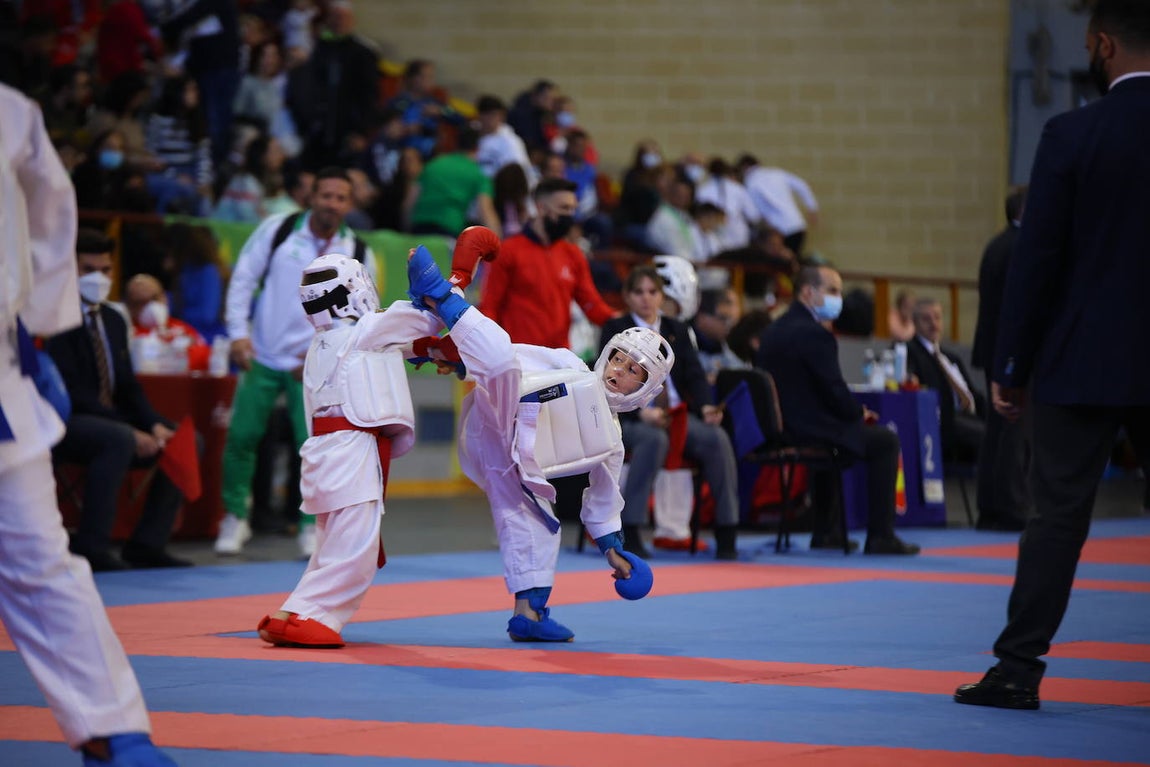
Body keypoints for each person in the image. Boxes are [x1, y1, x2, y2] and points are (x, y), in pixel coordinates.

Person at [954, 0, 1150, 711]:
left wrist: (1012, 367)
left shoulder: (1071, 132)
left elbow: (1035, 263)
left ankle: (1017, 667)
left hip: (1082, 358)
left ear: (1100, 44)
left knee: (1057, 516)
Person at [0, 80, 177, 766]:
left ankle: (113, 730)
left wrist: (36, 329)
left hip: (6, 383)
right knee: (47, 568)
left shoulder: (12, 110)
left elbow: (52, 206)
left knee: (46, 566)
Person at [404, 234, 670, 641]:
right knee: (501, 361)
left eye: (635, 370)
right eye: (619, 358)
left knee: (541, 524)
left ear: (647, 389)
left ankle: (530, 613)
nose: (619, 370)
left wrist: (612, 549)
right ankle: (440, 293)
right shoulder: (569, 365)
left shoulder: (612, 442)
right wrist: (451, 358)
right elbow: (508, 353)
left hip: (516, 466)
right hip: (496, 417)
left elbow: (602, 498)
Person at [257, 252, 430, 648]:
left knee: (331, 543)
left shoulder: (322, 342)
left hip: (322, 450)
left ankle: (293, 611)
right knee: (355, 547)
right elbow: (426, 319)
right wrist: (441, 285)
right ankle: (315, 616)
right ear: (351, 291)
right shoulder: (367, 330)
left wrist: (428, 350)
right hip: (352, 448)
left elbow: (401, 344)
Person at [216, 167, 376, 557]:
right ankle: (235, 517)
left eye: (340, 198)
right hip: (264, 355)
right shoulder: (279, 231)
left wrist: (330, 349)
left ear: (348, 204)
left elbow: (363, 313)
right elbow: (242, 278)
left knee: (315, 448)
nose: (332, 204)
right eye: (326, 195)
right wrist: (238, 332)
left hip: (317, 365)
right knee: (241, 439)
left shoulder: (357, 252)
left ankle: (312, 526)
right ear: (311, 197)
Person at [46, 229, 197, 572]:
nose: (98, 278)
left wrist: (153, 424)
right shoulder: (54, 318)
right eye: (88, 270)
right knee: (117, 440)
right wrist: (130, 430)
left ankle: (147, 544)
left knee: (183, 439)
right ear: (70, 270)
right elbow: (72, 392)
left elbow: (127, 386)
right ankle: (91, 546)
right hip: (65, 420)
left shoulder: (114, 320)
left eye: (105, 270)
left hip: (107, 419)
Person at [755, 264, 920, 555]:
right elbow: (834, 391)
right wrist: (859, 414)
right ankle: (881, 535)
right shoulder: (815, 334)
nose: (838, 298)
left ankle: (826, 532)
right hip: (808, 430)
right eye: (832, 291)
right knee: (884, 441)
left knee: (834, 433)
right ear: (808, 292)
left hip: (780, 429)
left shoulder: (773, 330)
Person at [600, 265, 741, 560]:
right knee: (654, 440)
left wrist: (705, 407)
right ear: (627, 296)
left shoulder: (677, 329)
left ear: (662, 296)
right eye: (638, 292)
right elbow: (606, 380)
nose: (646, 299)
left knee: (717, 438)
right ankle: (632, 527)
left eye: (652, 292)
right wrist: (639, 414)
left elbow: (694, 375)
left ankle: (727, 529)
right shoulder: (615, 329)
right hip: (629, 416)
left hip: (676, 415)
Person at [479, 177, 616, 348]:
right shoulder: (507, 251)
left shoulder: (573, 254)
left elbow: (591, 304)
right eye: (564, 208)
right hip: (519, 356)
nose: (570, 215)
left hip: (559, 358)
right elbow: (490, 306)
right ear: (540, 207)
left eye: (573, 209)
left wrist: (624, 323)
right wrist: (489, 350)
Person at [970, 186, 1030, 531]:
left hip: (994, 347)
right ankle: (1009, 507)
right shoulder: (1022, 248)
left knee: (997, 433)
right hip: (1010, 352)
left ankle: (991, 506)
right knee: (1012, 431)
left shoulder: (997, 244)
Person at [905, 297, 986, 463]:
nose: (933, 323)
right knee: (989, 436)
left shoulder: (951, 357)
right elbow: (908, 378)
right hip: (943, 421)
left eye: (937, 317)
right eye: (926, 319)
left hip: (969, 415)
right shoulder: (909, 351)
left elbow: (971, 393)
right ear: (915, 322)